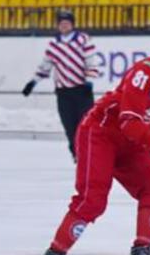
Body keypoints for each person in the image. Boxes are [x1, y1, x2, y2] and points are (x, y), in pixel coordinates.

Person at [32, 21, 150, 255]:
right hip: (100, 134)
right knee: (92, 199)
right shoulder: (145, 72)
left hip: (131, 144)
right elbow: (129, 121)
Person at [22, 9, 100, 160]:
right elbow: (45, 67)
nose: (64, 26)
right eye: (61, 23)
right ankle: (76, 154)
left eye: (67, 23)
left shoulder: (82, 39)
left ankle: (88, 153)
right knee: (69, 126)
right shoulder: (54, 45)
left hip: (81, 89)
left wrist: (89, 82)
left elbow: (92, 62)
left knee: (86, 124)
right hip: (63, 92)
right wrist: (32, 83)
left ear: (72, 24)